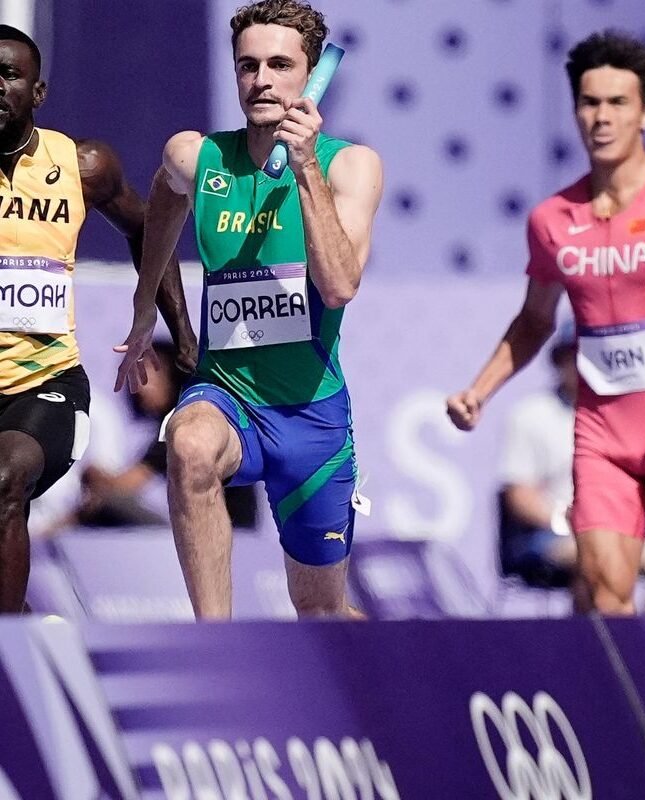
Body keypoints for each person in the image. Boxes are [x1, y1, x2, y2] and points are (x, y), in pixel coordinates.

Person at [447, 30, 645, 616]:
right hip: (602, 439)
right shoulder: (552, 219)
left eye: (618, 103)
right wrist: (480, 390)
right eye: (589, 102)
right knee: (603, 599)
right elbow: (534, 320)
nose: (601, 117)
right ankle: (622, 680)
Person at [114, 0, 384, 619]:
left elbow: (339, 286)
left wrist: (306, 167)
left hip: (311, 418)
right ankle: (218, 646)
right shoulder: (197, 155)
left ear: (310, 74)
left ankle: (403, 672)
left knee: (321, 613)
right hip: (227, 395)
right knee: (188, 443)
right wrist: (145, 304)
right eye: (248, 65)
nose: (261, 79)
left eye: (280, 65)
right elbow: (164, 196)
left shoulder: (350, 165)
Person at [0, 25, 195, 613]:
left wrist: (180, 333)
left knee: (6, 480)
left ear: (38, 92)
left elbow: (146, 230)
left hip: (43, 384)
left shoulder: (82, 165)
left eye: (9, 75)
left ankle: (10, 649)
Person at [497, 323, 645, 611]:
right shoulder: (532, 415)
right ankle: (591, 637)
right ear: (559, 362)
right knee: (596, 554)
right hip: (548, 536)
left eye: (592, 356)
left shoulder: (623, 416)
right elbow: (520, 496)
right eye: (574, 356)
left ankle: (634, 636)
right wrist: (569, 521)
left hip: (614, 530)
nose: (583, 365)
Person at [77, 340, 259, 530]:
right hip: (231, 528)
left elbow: (123, 485)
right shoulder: (195, 414)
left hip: (223, 531)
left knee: (107, 504)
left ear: (173, 374)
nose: (140, 388)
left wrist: (92, 475)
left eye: (147, 377)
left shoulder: (183, 423)